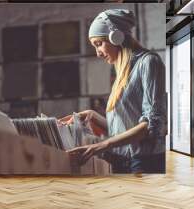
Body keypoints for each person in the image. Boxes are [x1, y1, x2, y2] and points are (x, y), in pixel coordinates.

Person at [59, 9, 167, 173]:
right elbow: (124, 130)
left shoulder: (149, 62)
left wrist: (102, 145)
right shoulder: (122, 72)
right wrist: (92, 115)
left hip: (143, 161)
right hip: (122, 161)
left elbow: (150, 126)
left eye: (99, 44)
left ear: (116, 37)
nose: (98, 53)